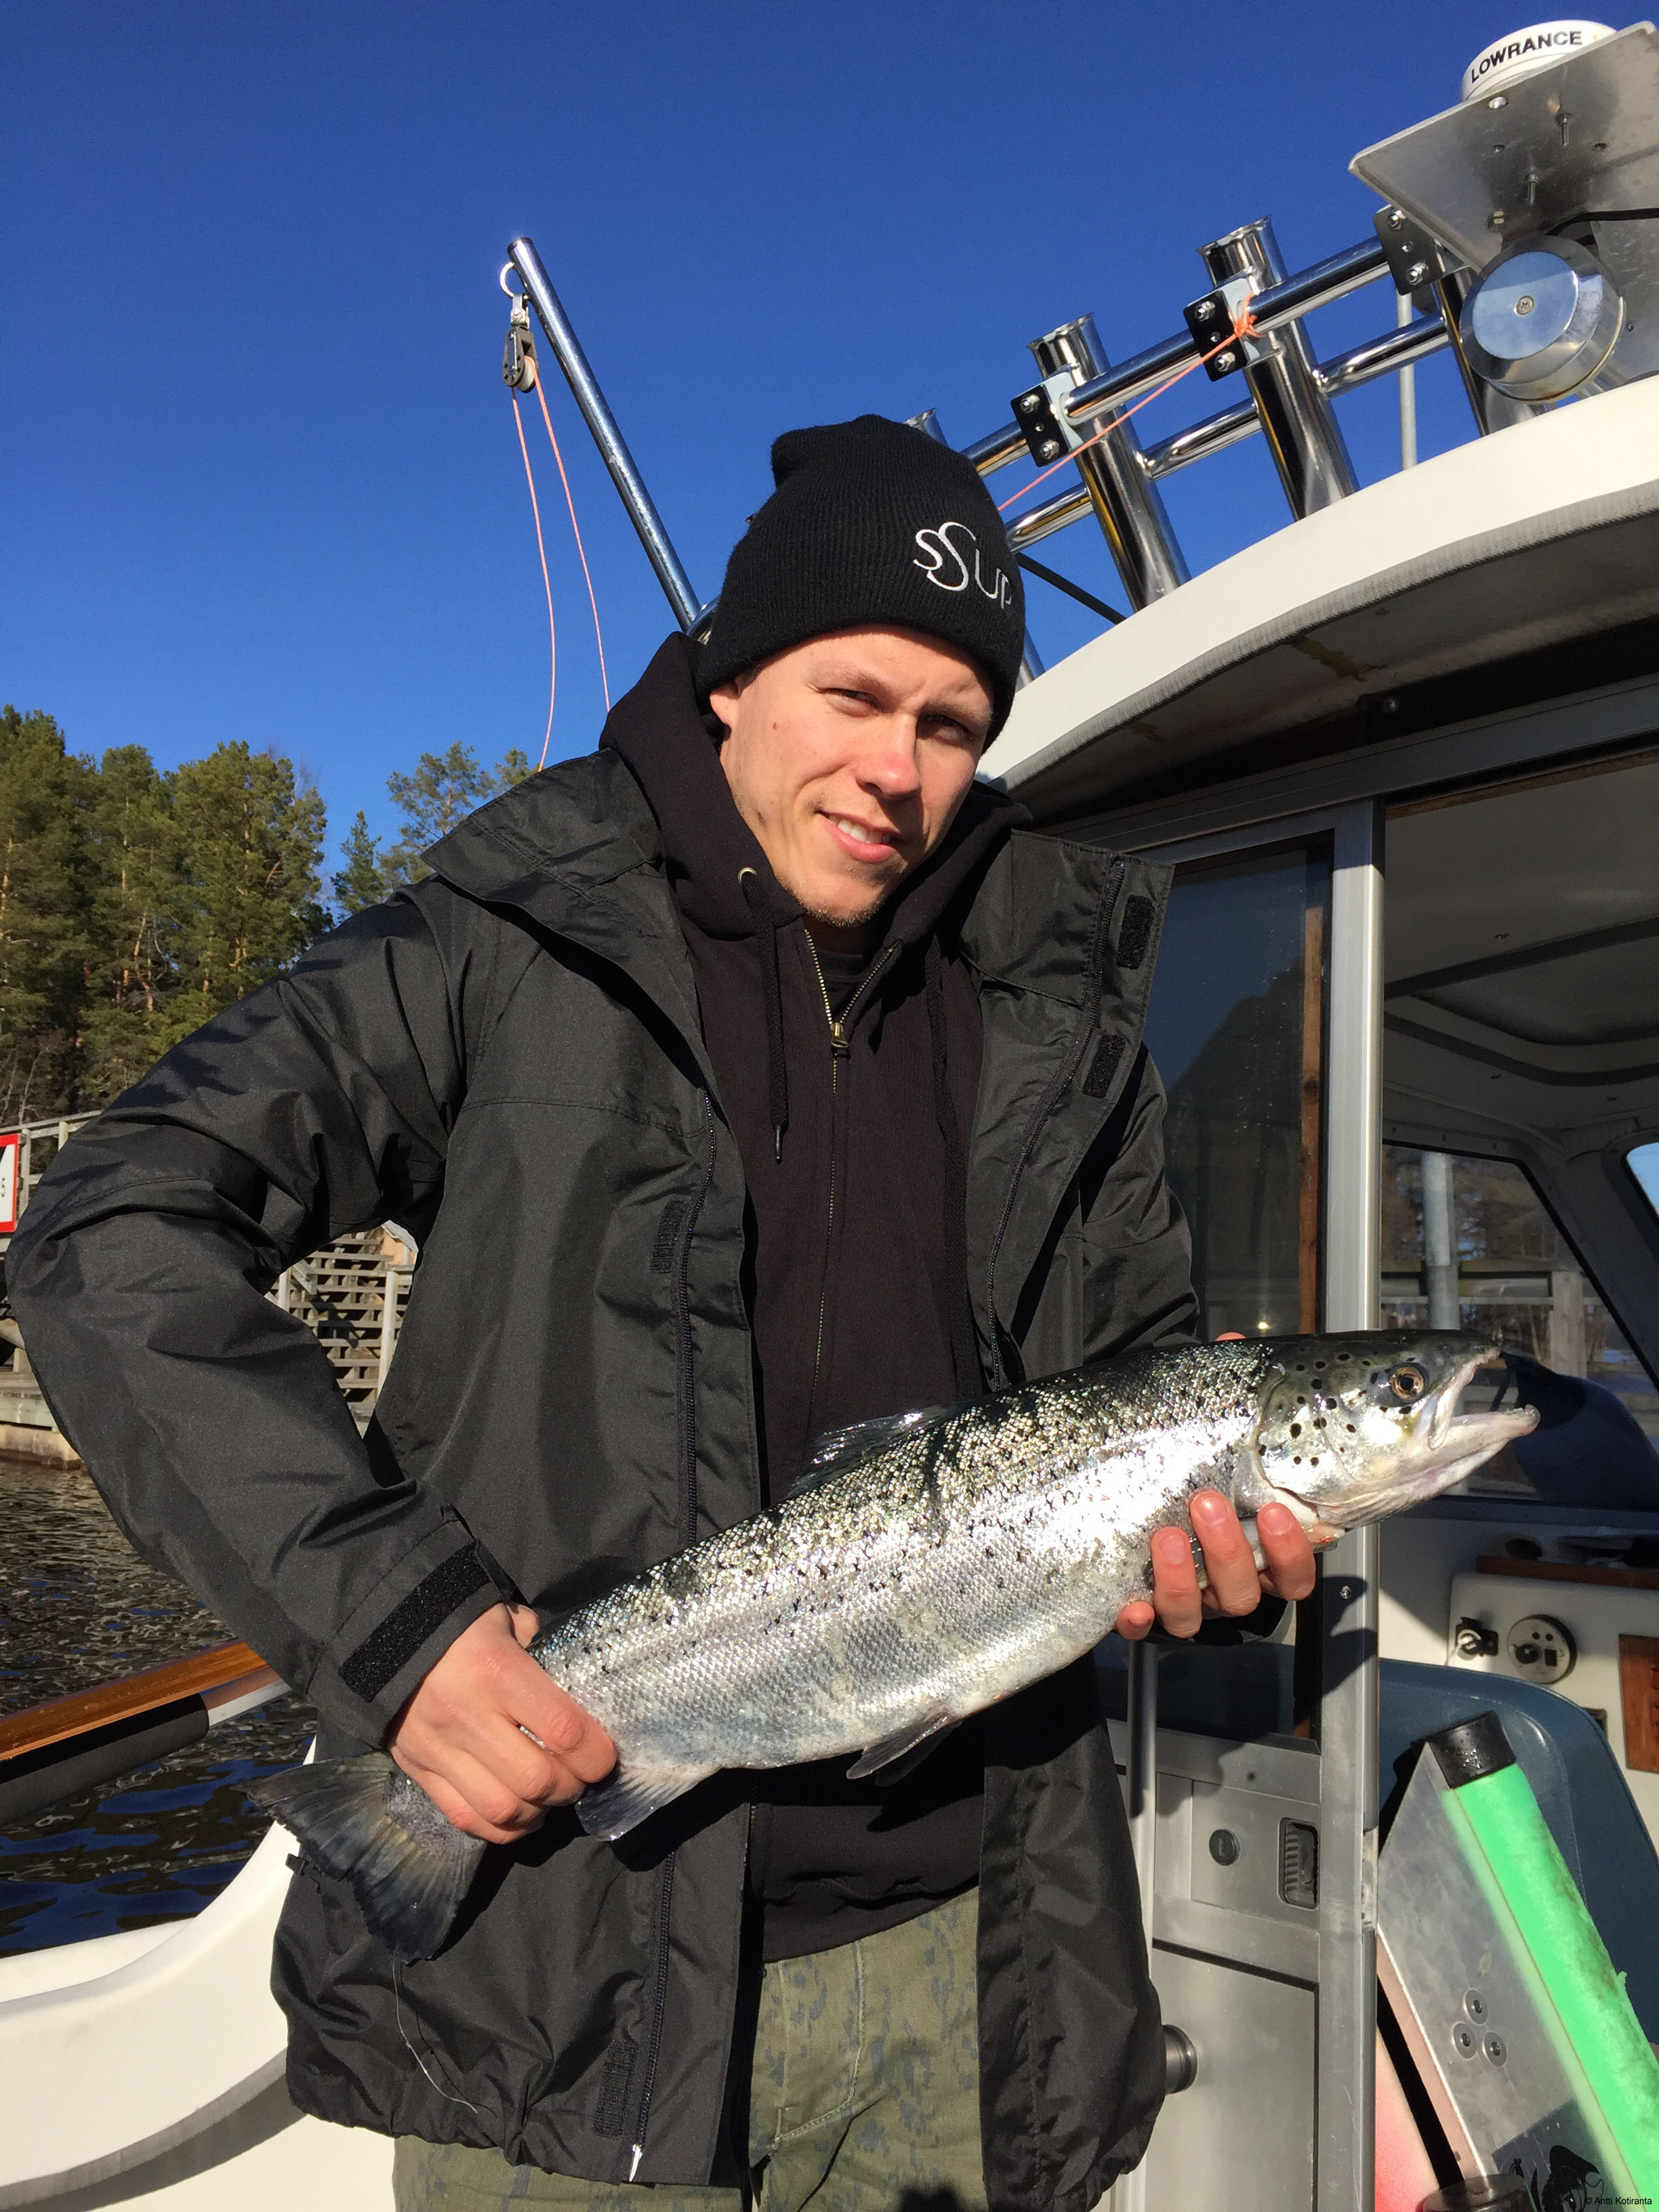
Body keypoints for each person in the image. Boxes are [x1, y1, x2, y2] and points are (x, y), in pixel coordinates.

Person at [9, 415, 1314, 2212]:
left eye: (951, 723)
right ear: (728, 682)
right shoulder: (504, 938)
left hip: (969, 1962)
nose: (896, 769)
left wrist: (1213, 1559)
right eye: (852, 696)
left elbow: (1127, 1383)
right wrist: (396, 1630)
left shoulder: (1059, 1009)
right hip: (567, 1968)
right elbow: (113, 1221)